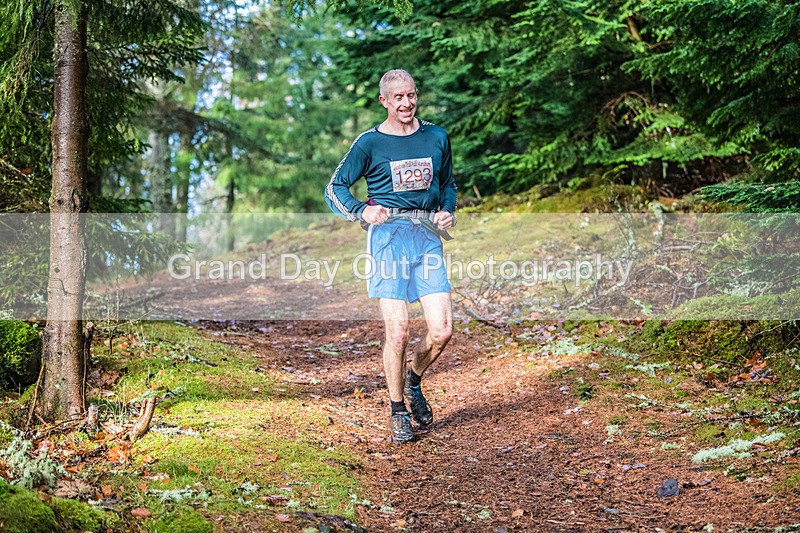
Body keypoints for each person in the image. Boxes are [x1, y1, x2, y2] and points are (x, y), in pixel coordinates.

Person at [324, 69, 457, 443]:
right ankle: (398, 410)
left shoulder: (436, 137)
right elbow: (334, 188)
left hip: (426, 236)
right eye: (398, 97)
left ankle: (413, 380)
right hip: (388, 239)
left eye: (411, 95)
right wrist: (361, 210)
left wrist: (447, 210)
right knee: (398, 332)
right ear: (384, 101)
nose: (406, 103)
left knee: (442, 330)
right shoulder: (370, 143)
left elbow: (447, 184)